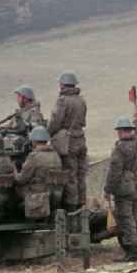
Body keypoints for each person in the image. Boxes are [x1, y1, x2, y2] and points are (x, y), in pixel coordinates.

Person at [104, 113, 137, 262]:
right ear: (131, 130)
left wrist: (108, 190)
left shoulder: (120, 149)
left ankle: (131, 252)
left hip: (124, 188)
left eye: (118, 131)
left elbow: (114, 172)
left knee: (126, 219)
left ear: (121, 131)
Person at [47, 71, 87, 209]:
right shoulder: (81, 100)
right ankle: (82, 202)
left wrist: (47, 133)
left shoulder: (62, 101)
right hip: (81, 139)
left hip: (68, 142)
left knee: (70, 175)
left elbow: (55, 122)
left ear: (63, 85)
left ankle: (72, 207)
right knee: (81, 174)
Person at [15, 126, 62, 203]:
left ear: (33, 141)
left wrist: (14, 170)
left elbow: (21, 180)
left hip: (37, 194)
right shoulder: (56, 155)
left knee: (15, 187)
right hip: (53, 193)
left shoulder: (34, 157)